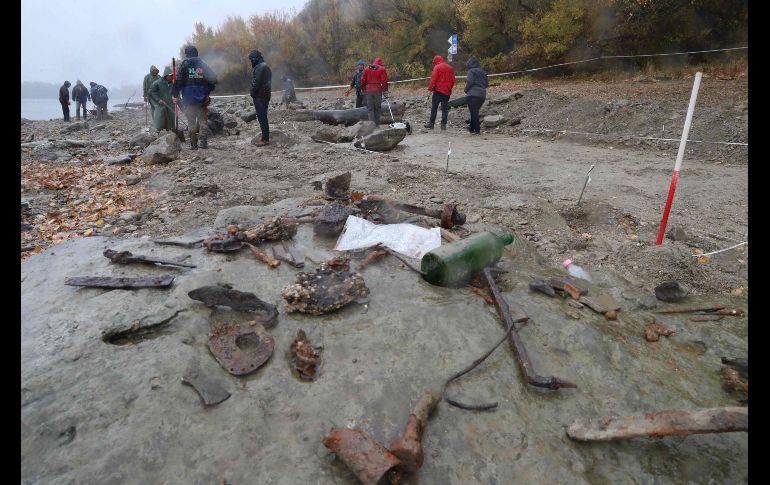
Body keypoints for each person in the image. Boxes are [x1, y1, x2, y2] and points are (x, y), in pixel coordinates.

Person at [172, 45, 217, 149]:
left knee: (191, 123)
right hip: (202, 99)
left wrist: (174, 94)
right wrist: (207, 90)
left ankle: (193, 144)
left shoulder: (183, 64)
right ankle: (203, 143)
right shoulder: (202, 63)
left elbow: (178, 81)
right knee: (203, 122)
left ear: (186, 53)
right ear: (196, 52)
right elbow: (213, 78)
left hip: (188, 99)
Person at [425, 55, 455, 130]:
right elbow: (453, 80)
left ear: (436, 61)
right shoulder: (450, 68)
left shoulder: (437, 67)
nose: (434, 64)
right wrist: (449, 88)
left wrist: (429, 90)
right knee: (445, 109)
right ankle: (443, 125)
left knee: (434, 108)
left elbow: (433, 80)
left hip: (438, 91)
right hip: (447, 92)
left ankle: (431, 124)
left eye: (434, 62)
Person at [249, 49, 272, 146]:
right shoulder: (265, 66)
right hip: (265, 95)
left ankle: (265, 139)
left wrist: (252, 93)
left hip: (260, 96)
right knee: (263, 117)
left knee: (262, 118)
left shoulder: (260, 67)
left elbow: (256, 82)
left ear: (255, 58)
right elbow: (268, 83)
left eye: (251, 59)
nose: (251, 61)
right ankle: (265, 137)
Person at [360, 57, 389, 126]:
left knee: (370, 109)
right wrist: (385, 90)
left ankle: (372, 125)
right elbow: (384, 81)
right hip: (378, 90)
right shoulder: (382, 69)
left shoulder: (367, 69)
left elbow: (363, 80)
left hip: (369, 91)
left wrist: (363, 89)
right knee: (377, 108)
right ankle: (377, 125)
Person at [464, 56, 488, 135]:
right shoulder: (483, 72)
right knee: (474, 112)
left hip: (472, 94)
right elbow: (486, 84)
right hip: (482, 95)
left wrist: (466, 90)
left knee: (474, 112)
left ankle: (477, 130)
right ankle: (471, 129)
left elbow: (470, 81)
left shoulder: (471, 71)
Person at [149, 66, 175, 133]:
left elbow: (176, 93)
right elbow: (152, 92)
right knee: (160, 118)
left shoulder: (173, 83)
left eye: (172, 75)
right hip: (160, 103)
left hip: (170, 103)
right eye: (170, 76)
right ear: (166, 76)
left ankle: (171, 130)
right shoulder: (157, 83)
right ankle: (159, 131)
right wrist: (158, 100)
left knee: (171, 117)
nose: (171, 77)